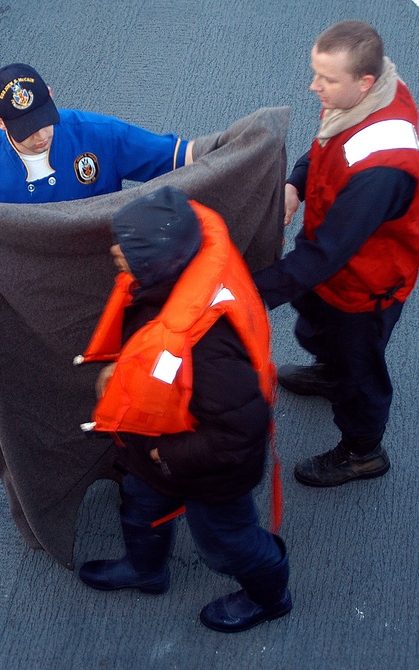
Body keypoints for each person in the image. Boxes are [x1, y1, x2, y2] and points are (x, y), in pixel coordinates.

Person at [73, 185, 291, 633]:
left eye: (127, 248)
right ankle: (146, 570)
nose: (115, 252)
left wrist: (165, 457)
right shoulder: (168, 280)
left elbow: (237, 437)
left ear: (158, 260)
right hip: (159, 444)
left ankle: (271, 597)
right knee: (138, 501)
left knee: (225, 544)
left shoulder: (211, 350)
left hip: (208, 470)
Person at [252, 20, 419, 488]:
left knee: (361, 376)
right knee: (317, 323)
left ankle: (363, 452)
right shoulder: (363, 98)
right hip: (337, 271)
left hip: (364, 287)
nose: (314, 87)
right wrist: (295, 183)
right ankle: (330, 372)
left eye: (326, 79)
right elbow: (327, 143)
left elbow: (327, 254)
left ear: (364, 81)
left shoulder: (382, 171)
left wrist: (249, 292)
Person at [0, 62, 194, 253]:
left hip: (99, 255)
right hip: (33, 273)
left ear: (50, 96)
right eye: (27, 131)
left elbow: (177, 156)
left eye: (45, 120)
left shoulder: (98, 134)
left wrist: (231, 147)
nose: (41, 136)